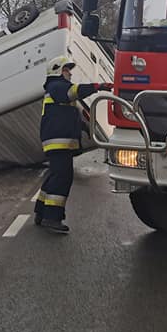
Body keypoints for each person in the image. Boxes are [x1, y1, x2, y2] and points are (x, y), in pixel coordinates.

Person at [34, 55, 112, 234]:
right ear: (57, 71)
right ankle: (52, 217)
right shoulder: (57, 86)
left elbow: (69, 115)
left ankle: (41, 211)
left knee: (55, 175)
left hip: (57, 142)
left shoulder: (56, 89)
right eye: (66, 69)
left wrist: (87, 128)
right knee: (63, 177)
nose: (69, 73)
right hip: (58, 142)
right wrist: (97, 87)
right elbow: (73, 91)